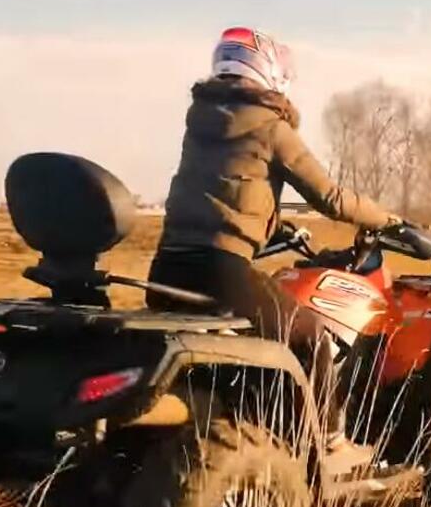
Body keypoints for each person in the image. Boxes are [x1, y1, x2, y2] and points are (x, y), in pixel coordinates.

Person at [148, 26, 400, 475]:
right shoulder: (269, 127)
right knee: (312, 337)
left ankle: (263, 438)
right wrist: (388, 219)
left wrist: (272, 226)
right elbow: (333, 199)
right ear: (269, 72)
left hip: (166, 268)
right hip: (221, 269)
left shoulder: (200, 123)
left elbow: (220, 194)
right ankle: (330, 442)